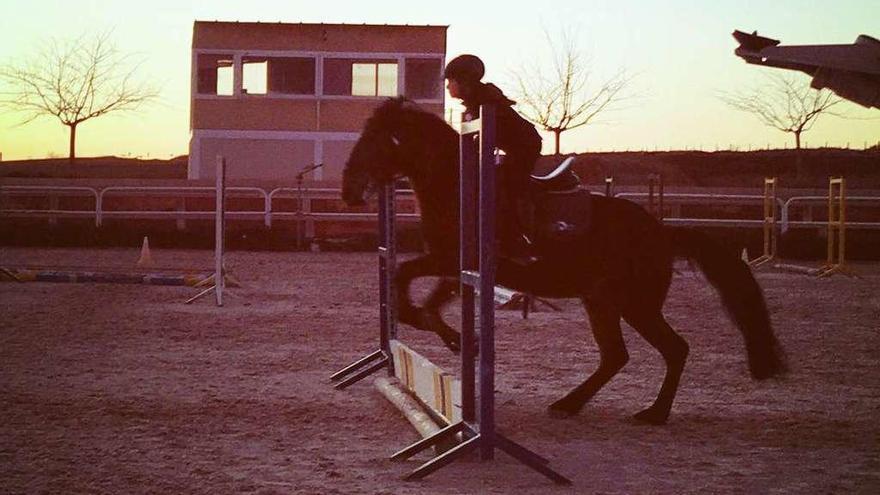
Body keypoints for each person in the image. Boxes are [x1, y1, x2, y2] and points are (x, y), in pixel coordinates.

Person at [444, 54, 542, 263]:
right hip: (514, 146)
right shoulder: (476, 100)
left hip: (524, 146)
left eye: (450, 81)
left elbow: (483, 138)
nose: (447, 87)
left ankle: (517, 239)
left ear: (463, 81)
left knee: (507, 184)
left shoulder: (485, 101)